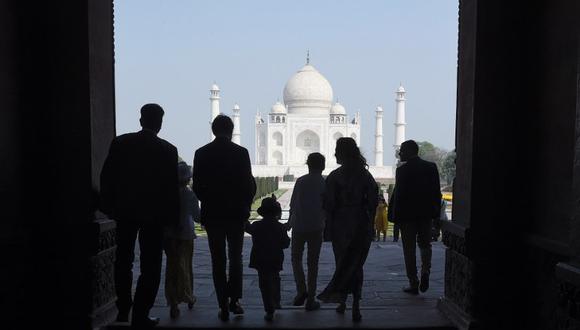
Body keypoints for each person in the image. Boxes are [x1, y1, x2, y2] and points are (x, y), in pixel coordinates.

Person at [100, 103, 179, 328]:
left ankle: (123, 309)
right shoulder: (167, 150)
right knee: (150, 266)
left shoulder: (121, 143)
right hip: (154, 217)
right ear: (160, 123)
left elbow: (107, 178)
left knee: (123, 262)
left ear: (141, 120)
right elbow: (171, 191)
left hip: (124, 213)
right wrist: (172, 221)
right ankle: (141, 314)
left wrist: (108, 207)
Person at [192, 115, 256, 321]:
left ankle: (222, 304)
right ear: (231, 129)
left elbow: (198, 186)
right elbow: (249, 185)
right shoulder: (241, 153)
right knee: (235, 258)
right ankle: (235, 300)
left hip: (214, 214)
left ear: (213, 129)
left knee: (217, 260)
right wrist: (245, 206)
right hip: (236, 214)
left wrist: (210, 202)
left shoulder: (202, 153)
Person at [317, 137, 378, 322]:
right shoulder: (365, 175)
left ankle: (342, 301)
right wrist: (370, 223)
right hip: (360, 223)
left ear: (343, 153)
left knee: (342, 263)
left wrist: (327, 226)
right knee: (356, 265)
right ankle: (356, 306)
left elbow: (329, 204)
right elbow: (373, 201)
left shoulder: (335, 176)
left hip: (341, 225)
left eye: (337, 151)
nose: (335, 154)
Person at [390, 140, 441, 295]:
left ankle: (413, 282)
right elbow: (436, 193)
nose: (400, 154)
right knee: (425, 245)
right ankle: (426, 270)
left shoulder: (403, 170)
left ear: (410, 151)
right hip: (425, 215)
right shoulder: (431, 167)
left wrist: (395, 218)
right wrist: (436, 215)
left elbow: (399, 196)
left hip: (407, 216)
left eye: (402, 151)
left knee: (409, 249)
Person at [287, 152, 326, 311]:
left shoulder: (301, 181)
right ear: (322, 166)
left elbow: (293, 204)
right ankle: (311, 299)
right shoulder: (325, 183)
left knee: (296, 258)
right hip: (316, 227)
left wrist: (289, 223)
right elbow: (328, 207)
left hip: (299, 226)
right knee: (313, 263)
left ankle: (301, 289)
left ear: (307, 164)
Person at [245, 195, 290, 322]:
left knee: (264, 284)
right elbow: (286, 244)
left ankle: (269, 309)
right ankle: (276, 301)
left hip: (260, 259)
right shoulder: (280, 227)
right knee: (275, 279)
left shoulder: (257, 225)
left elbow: (247, 227)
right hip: (275, 258)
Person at [164, 161, 199, 319]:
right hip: (185, 234)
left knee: (172, 266)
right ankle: (188, 296)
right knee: (185, 266)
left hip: (169, 234)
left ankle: (173, 302)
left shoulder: (168, 193)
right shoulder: (189, 193)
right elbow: (197, 216)